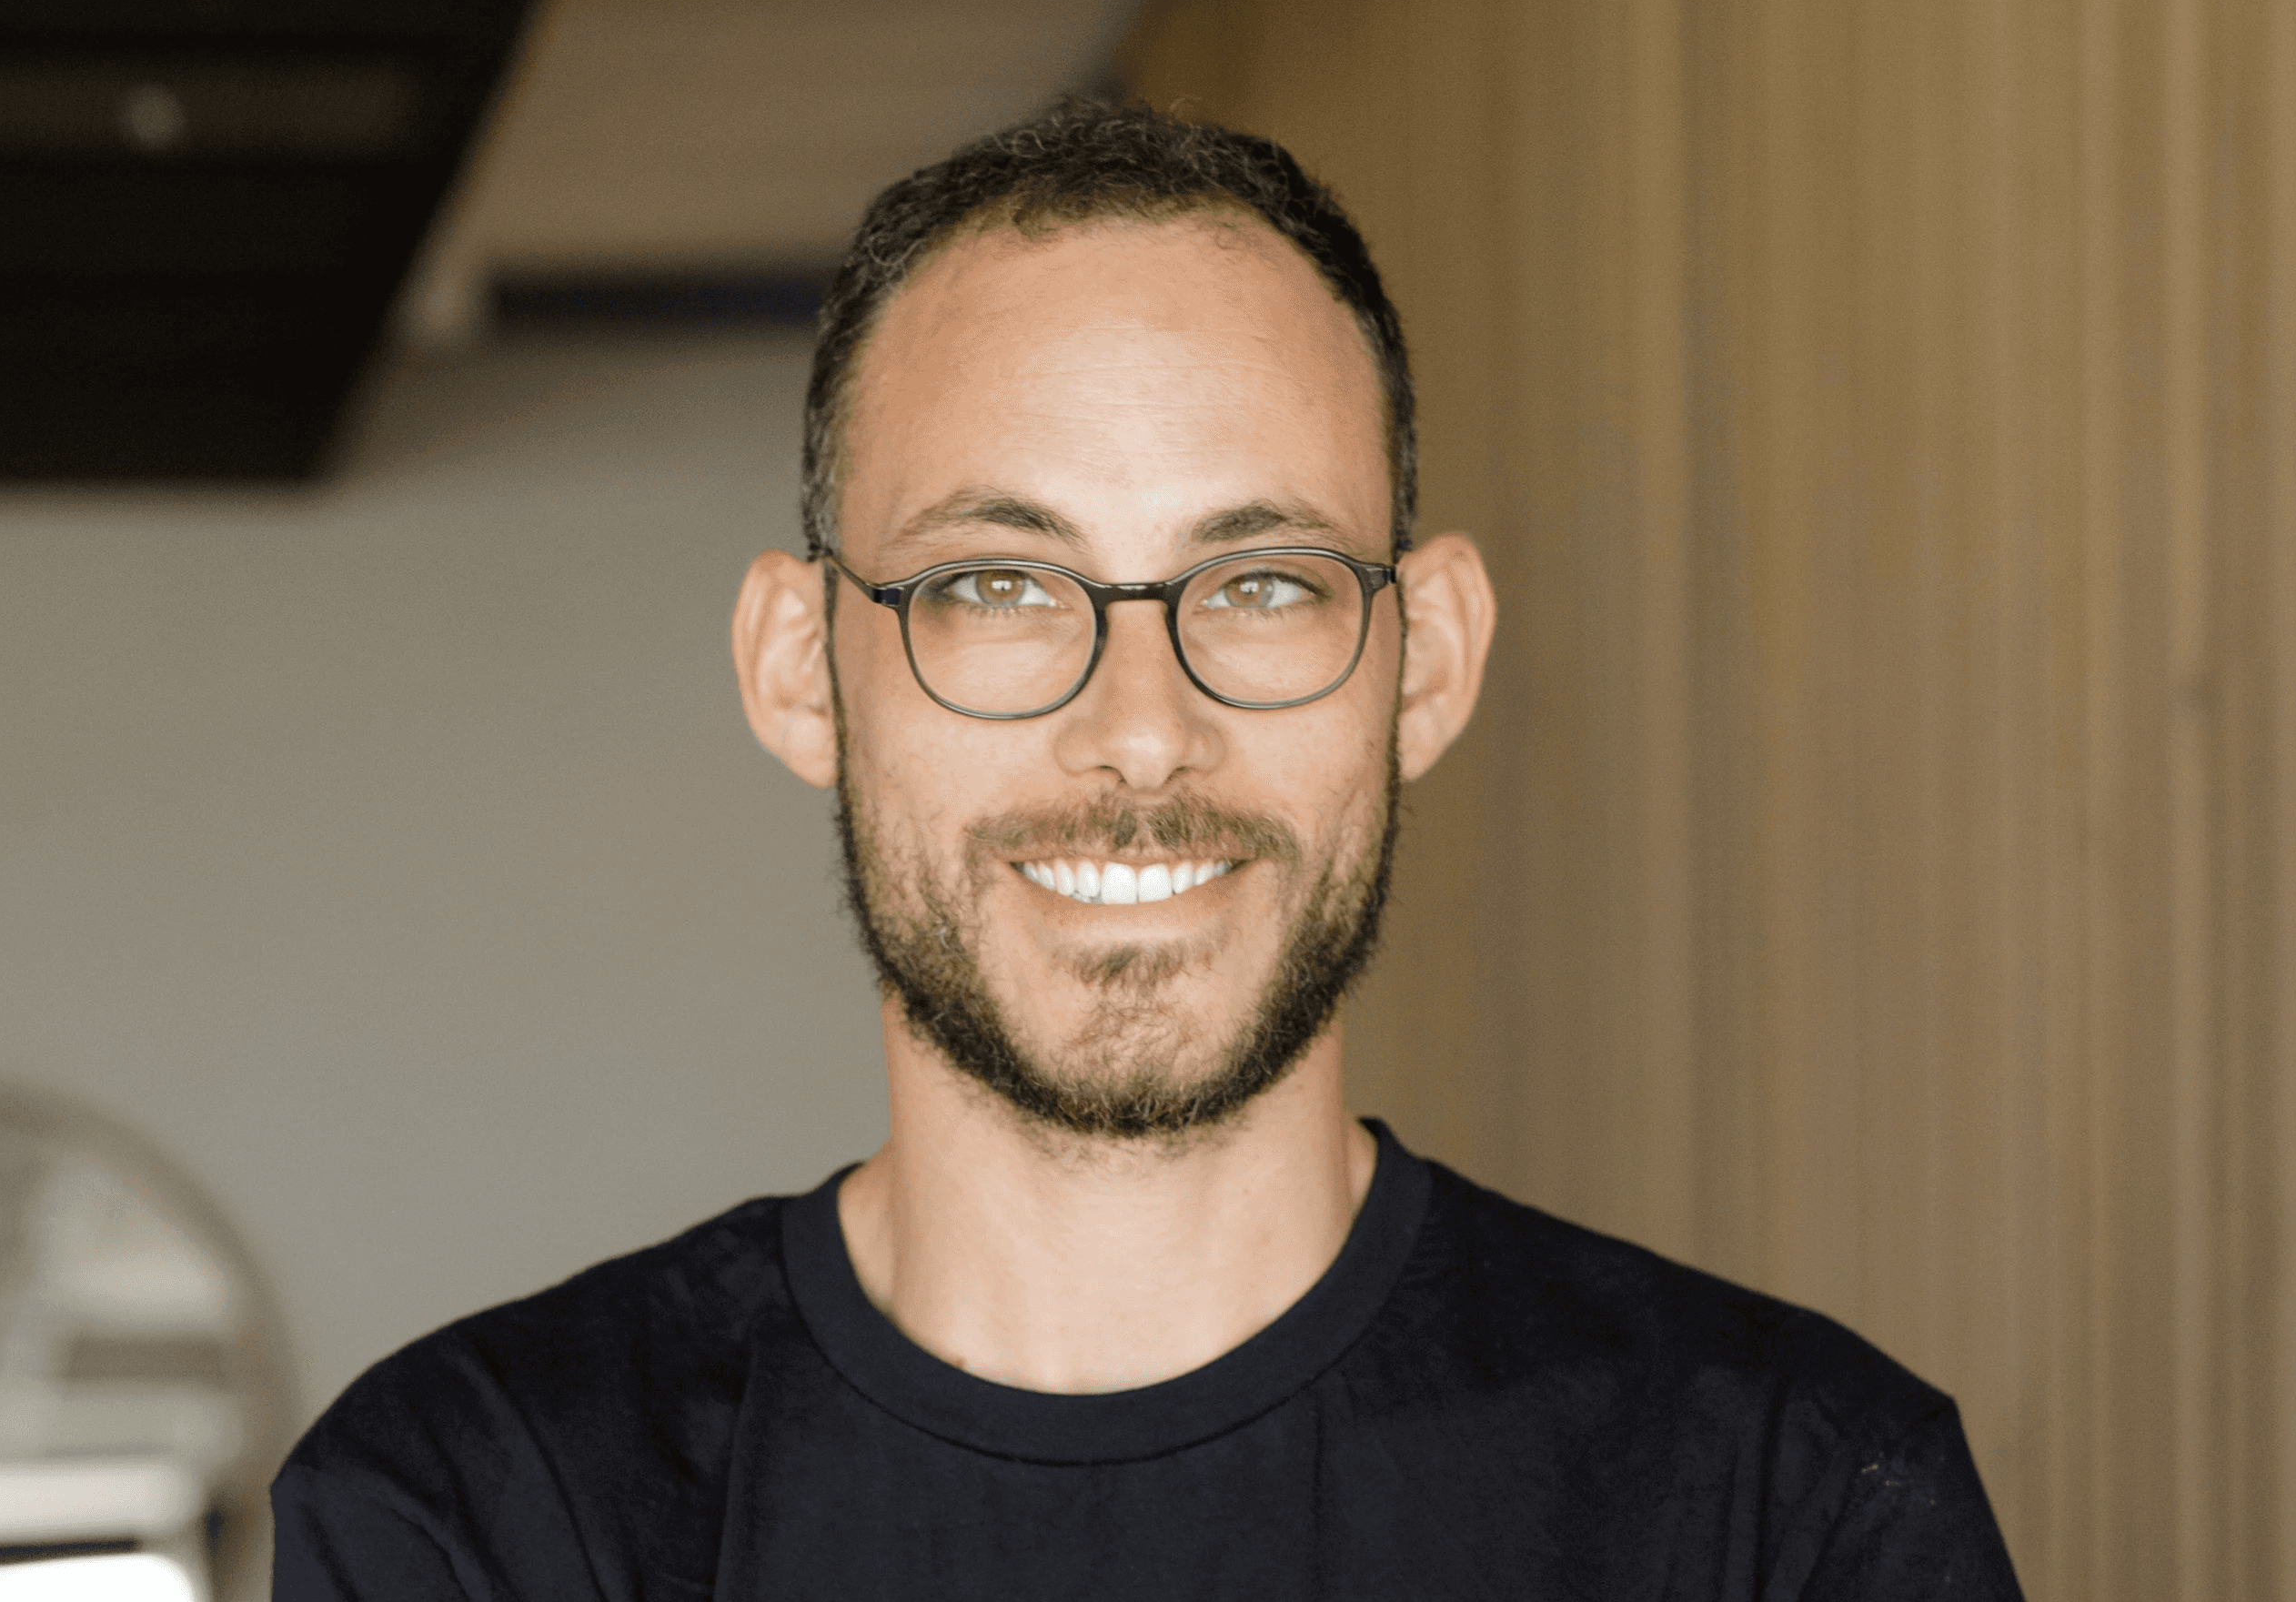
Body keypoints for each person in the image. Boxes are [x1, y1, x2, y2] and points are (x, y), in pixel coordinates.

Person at [270, 102, 2025, 1598]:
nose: (1139, 731)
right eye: (997, 585)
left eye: (1259, 585)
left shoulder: (1793, 1511)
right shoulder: (483, 1516)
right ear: (801, 667)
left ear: (1426, 660)